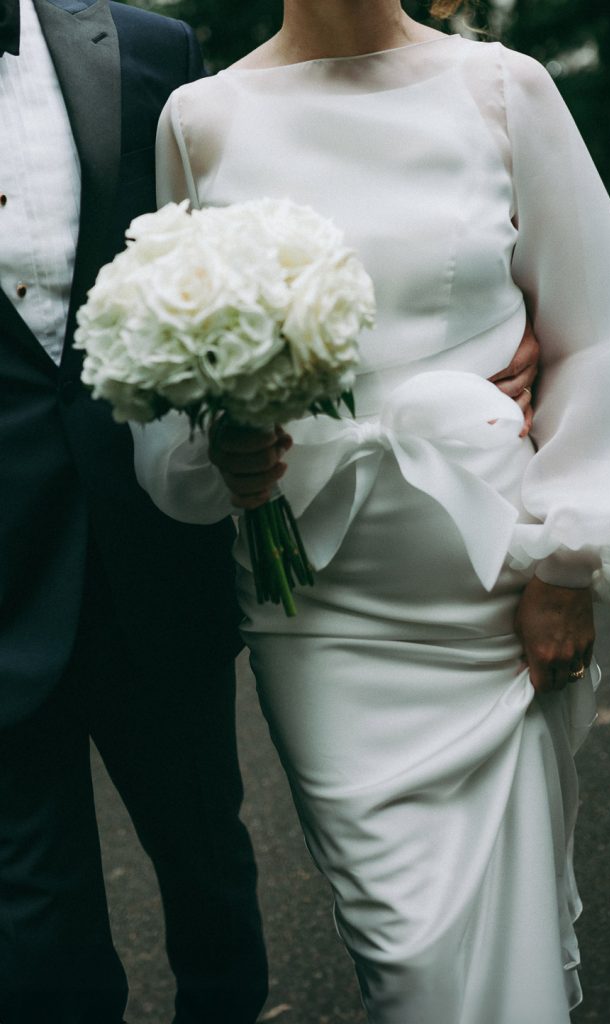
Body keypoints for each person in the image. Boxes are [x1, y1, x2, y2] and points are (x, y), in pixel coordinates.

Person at [131, 1, 610, 1021]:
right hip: (315, 607)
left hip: (488, 586)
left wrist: (567, 565)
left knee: (502, 938)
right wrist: (223, 451)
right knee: (405, 953)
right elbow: (171, 386)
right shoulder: (199, 117)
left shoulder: (503, 90)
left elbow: (599, 340)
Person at [0, 2, 269, 1022]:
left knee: (208, 873)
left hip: (153, 551)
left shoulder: (155, 51)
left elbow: (226, 256)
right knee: (36, 934)